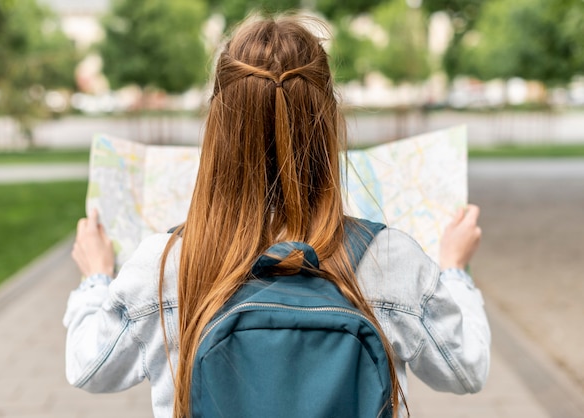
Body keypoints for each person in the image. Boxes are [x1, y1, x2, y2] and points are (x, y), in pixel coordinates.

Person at [64, 14, 489, 418]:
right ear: (328, 121)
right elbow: (466, 369)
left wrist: (96, 278)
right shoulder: (390, 258)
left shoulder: (166, 264)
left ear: (218, 128)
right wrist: (453, 270)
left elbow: (89, 366)